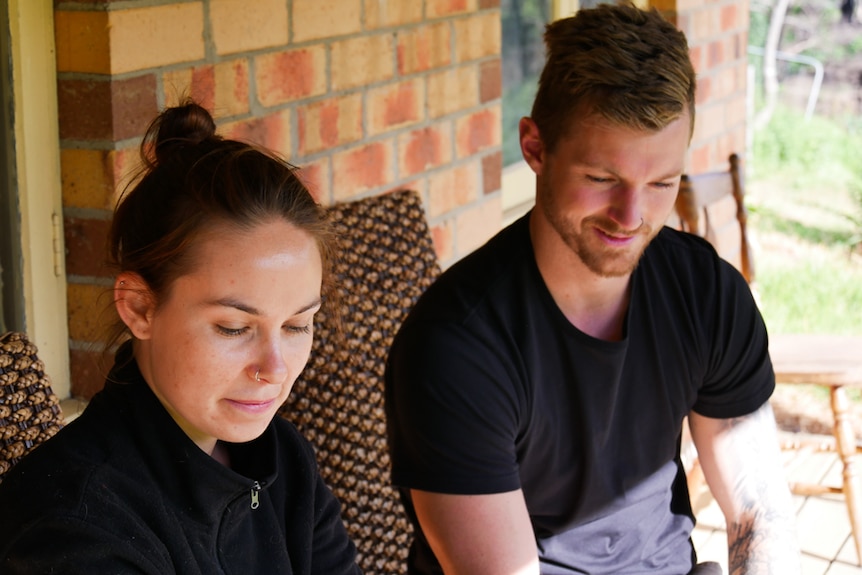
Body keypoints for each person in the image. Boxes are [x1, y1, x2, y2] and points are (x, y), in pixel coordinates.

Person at [385, 4, 801, 574]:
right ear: (534, 148)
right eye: (602, 179)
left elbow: (761, 517)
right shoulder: (457, 345)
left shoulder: (705, 294)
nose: (631, 215)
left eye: (661, 182)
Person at [0, 102, 362, 574]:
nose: (275, 369)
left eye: (297, 325)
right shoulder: (72, 529)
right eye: (234, 327)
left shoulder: (282, 459)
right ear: (139, 308)